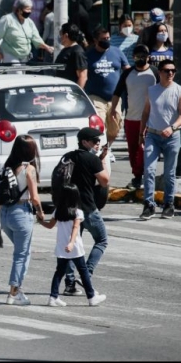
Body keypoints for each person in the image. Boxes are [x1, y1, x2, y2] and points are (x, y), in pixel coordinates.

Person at [37, 183, 107, 307]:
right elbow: (75, 228)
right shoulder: (78, 212)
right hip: (74, 247)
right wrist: (71, 243)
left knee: (59, 272)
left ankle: (53, 297)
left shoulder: (57, 211)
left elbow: (50, 225)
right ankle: (91, 297)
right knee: (83, 271)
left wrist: (40, 222)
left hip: (61, 246)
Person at [62, 127, 110, 297]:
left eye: (99, 141)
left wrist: (99, 157)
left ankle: (69, 284)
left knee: (73, 244)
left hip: (69, 207)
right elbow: (104, 181)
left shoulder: (67, 157)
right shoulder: (92, 159)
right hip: (88, 208)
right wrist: (102, 161)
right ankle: (87, 274)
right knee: (102, 240)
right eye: (94, 141)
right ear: (84, 142)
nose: (98, 144)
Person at [0, 135, 44, 306]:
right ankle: (13, 292)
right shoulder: (29, 169)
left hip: (4, 215)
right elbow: (34, 197)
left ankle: (17, 289)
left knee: (24, 251)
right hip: (21, 213)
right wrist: (40, 213)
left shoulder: (7, 166)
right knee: (21, 254)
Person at [110, 44, 158, 190]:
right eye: (138, 56)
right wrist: (113, 109)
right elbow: (117, 92)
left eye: (144, 56)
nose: (141, 59)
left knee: (146, 149)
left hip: (150, 119)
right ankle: (137, 177)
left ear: (148, 57)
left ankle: (146, 175)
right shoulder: (128, 73)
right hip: (131, 118)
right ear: (133, 57)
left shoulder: (155, 73)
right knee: (133, 149)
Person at [139, 59, 181, 220]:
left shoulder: (178, 90)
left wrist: (172, 127)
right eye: (166, 70)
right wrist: (141, 133)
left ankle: (168, 204)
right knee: (149, 170)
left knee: (170, 172)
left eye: (173, 70)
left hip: (173, 136)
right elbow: (145, 112)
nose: (170, 73)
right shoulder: (151, 90)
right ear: (160, 72)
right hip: (153, 135)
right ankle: (149, 205)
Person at [84, 26, 130, 150]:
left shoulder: (117, 52)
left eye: (108, 38)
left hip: (115, 97)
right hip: (96, 96)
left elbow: (127, 70)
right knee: (99, 123)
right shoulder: (88, 55)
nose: (106, 40)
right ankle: (99, 149)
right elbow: (83, 74)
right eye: (103, 39)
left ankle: (106, 148)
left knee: (115, 127)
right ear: (95, 40)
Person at [0, 0, 54, 64]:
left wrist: (47, 47)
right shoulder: (7, 19)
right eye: (27, 9)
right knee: (17, 72)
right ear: (19, 10)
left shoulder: (29, 22)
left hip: (24, 56)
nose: (29, 11)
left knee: (22, 73)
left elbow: (36, 38)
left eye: (30, 9)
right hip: (10, 53)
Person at [54, 22, 88, 88]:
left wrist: (76, 94)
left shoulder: (77, 52)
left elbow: (83, 76)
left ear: (66, 35)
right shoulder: (65, 50)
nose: (59, 36)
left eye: (60, 34)